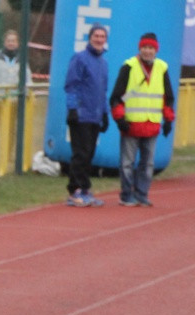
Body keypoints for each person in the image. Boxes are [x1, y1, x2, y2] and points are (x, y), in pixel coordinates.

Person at [109, 32, 176, 207]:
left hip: (152, 124)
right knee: (127, 163)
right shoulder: (129, 66)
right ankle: (126, 194)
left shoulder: (162, 68)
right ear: (140, 48)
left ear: (156, 50)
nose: (148, 51)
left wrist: (168, 119)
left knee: (148, 163)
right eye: (145, 47)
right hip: (131, 124)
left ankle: (141, 193)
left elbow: (167, 97)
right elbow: (117, 96)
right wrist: (120, 118)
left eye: (151, 48)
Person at [63, 23, 109, 207]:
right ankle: (75, 189)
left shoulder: (103, 63)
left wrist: (105, 114)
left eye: (102, 36)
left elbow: (102, 91)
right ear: (90, 37)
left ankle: (85, 188)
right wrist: (73, 108)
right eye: (96, 36)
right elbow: (71, 85)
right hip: (81, 114)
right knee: (80, 153)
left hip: (95, 115)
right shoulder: (80, 58)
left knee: (89, 154)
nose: (99, 39)